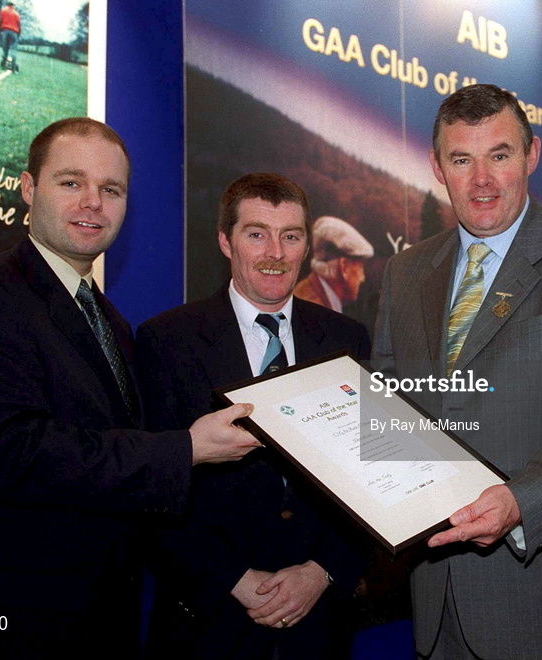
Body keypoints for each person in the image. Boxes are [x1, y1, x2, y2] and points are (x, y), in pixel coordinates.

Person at [0, 117, 260, 659]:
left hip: (95, 618)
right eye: (71, 182)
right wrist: (187, 448)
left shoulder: (109, 320)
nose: (93, 203)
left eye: (111, 189)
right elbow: (12, 453)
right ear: (29, 189)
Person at [372, 83, 542, 659]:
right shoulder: (404, 272)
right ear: (437, 167)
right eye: (461, 160)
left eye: (500, 155)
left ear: (532, 155)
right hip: (436, 595)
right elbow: (391, 406)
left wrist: (521, 500)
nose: (483, 180)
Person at [135, 173, 369, 659]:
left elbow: (370, 476)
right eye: (256, 233)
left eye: (291, 237)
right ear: (226, 241)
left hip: (319, 624)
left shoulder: (347, 340)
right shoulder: (166, 341)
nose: (275, 253)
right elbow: (149, 485)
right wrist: (233, 579)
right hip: (207, 623)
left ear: (307, 246)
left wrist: (322, 570)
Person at [293, 215, 374, 313]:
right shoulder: (314, 309)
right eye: (360, 268)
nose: (362, 278)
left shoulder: (312, 294)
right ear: (343, 267)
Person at [0, 2, 20, 73]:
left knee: (5, 49)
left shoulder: (3, 10)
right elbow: (19, 25)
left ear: (7, 4)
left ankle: (3, 65)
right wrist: (18, 34)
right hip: (14, 32)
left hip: (5, 31)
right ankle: (13, 69)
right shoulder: (16, 14)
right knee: (13, 50)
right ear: (13, 5)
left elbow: (0, 21)